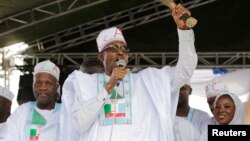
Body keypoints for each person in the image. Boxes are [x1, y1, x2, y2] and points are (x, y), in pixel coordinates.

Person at [60, 3, 198, 141]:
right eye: (113, 48)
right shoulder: (86, 83)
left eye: (124, 49)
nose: (120, 52)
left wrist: (184, 31)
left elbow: (185, 71)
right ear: (101, 56)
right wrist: (109, 87)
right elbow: (78, 124)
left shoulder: (146, 82)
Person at [4, 60, 61, 141]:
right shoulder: (22, 112)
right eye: (38, 83)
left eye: (48, 83)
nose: (42, 87)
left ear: (57, 87)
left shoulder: (66, 113)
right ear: (33, 86)